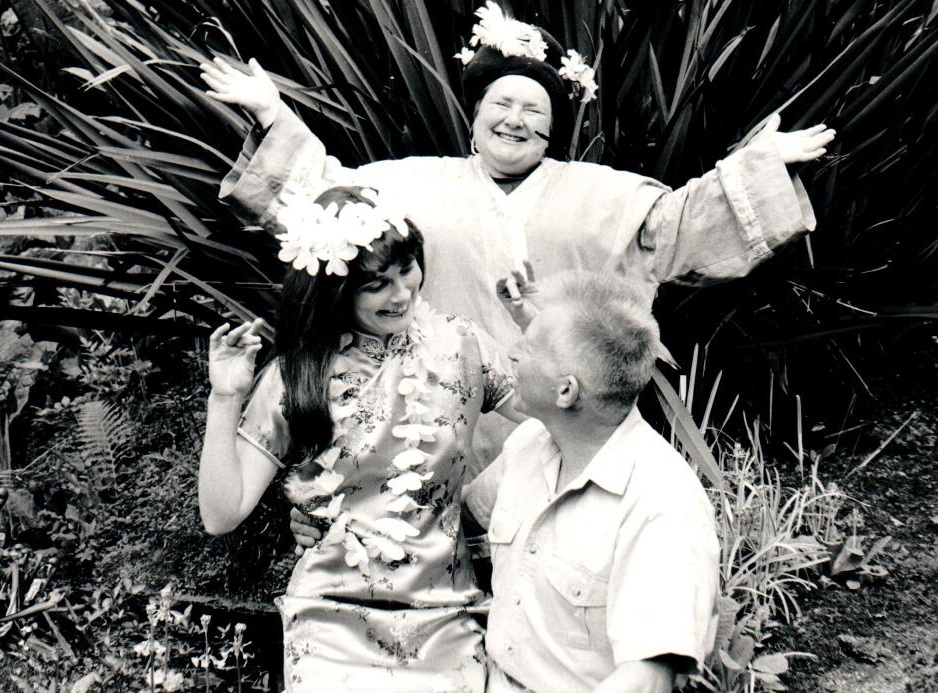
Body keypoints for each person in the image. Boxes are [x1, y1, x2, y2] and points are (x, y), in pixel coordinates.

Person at [199, 0, 835, 466]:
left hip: (559, 411)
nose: (515, 119)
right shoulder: (410, 182)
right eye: (500, 104)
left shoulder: (602, 193)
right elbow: (324, 201)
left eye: (534, 109)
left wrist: (758, 167)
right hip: (433, 413)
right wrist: (271, 112)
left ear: (552, 129)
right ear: (473, 117)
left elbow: (677, 228)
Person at [198, 184, 521, 693]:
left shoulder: (462, 344)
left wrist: (534, 322)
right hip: (330, 625)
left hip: (448, 618)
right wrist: (225, 397)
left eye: (407, 268)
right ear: (335, 287)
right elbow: (222, 514)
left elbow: (567, 411)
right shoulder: (297, 376)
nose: (402, 293)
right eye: (377, 284)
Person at [463, 270, 720, 693]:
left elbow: (647, 679)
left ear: (565, 391)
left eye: (527, 347)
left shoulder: (663, 504)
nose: (511, 353)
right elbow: (462, 518)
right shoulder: (531, 443)